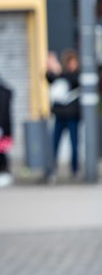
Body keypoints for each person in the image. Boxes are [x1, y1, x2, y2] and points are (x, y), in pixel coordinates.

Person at [45, 49, 80, 181]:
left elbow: (71, 80)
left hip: (72, 117)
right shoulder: (63, 74)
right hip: (59, 116)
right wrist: (50, 67)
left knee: (74, 144)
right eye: (70, 63)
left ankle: (75, 170)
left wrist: (58, 70)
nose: (72, 66)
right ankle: (52, 171)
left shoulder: (77, 75)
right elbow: (50, 78)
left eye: (74, 63)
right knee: (55, 144)